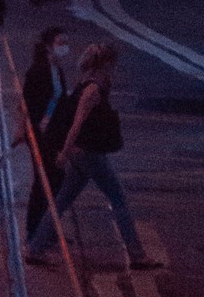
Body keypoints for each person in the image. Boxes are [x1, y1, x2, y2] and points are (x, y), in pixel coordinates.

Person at [26, 42, 153, 268]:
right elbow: (76, 125)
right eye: (111, 65)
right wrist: (64, 154)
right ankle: (137, 255)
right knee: (118, 199)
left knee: (62, 201)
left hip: (82, 154)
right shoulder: (92, 90)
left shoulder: (88, 83)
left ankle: (36, 248)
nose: (114, 69)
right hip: (88, 155)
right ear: (104, 64)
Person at [18, 25, 72, 236]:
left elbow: (61, 101)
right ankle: (35, 231)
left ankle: (46, 229)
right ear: (49, 47)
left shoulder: (57, 70)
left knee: (56, 180)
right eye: (60, 43)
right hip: (40, 133)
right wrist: (21, 128)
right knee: (44, 181)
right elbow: (25, 102)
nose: (64, 47)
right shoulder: (37, 71)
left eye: (66, 43)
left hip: (54, 133)